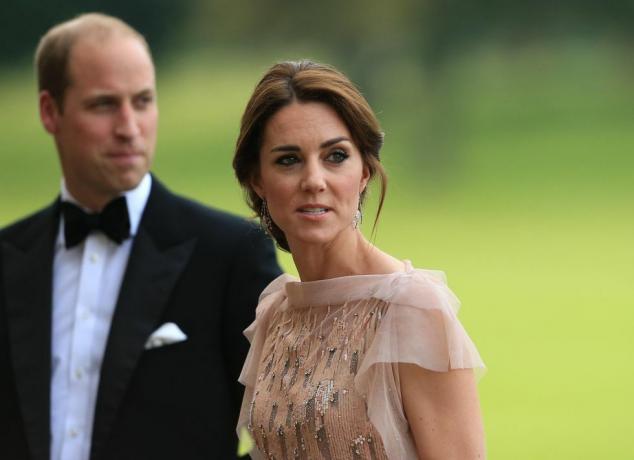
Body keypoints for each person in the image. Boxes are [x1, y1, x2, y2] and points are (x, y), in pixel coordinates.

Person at [0, 13, 281, 460]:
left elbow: (291, 428)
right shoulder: (7, 258)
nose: (129, 127)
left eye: (143, 101)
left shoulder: (229, 253)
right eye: (104, 104)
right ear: (50, 111)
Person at [233, 60, 486, 459]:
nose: (314, 180)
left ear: (365, 171)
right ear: (257, 180)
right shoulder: (275, 312)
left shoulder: (411, 308)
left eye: (335, 156)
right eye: (288, 160)